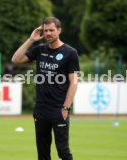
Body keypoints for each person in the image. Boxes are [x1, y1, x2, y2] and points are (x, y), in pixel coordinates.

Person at [11, 17, 80, 160]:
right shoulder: (39, 50)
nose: (48, 33)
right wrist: (31, 39)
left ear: (59, 30)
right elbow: (15, 60)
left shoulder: (70, 52)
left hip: (59, 109)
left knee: (63, 151)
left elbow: (73, 82)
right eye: (46, 30)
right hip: (41, 109)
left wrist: (66, 107)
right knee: (42, 154)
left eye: (51, 30)